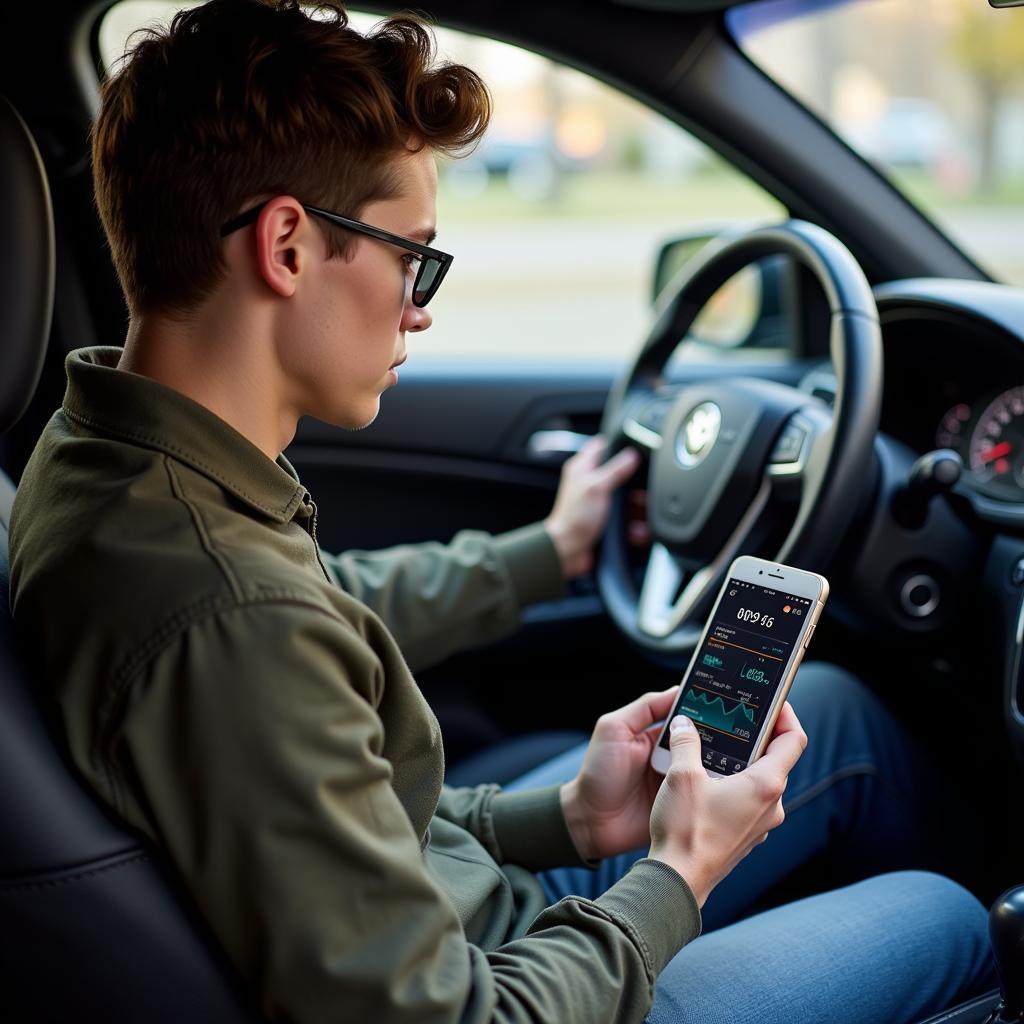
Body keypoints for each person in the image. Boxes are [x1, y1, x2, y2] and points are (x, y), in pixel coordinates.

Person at [7, 2, 996, 1022]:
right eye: (412, 257)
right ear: (288, 246)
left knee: (827, 710)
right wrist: (678, 873)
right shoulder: (220, 611)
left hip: (478, 916)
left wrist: (564, 817)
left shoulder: (101, 457)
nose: (421, 305)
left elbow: (348, 777)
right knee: (953, 917)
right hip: (525, 988)